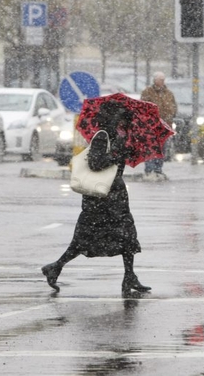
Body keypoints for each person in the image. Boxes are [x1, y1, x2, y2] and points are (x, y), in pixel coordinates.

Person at [41, 101, 151, 296]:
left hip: (116, 197)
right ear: (112, 117)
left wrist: (125, 151)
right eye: (121, 115)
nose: (125, 119)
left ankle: (129, 276)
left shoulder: (119, 135)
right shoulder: (102, 135)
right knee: (84, 240)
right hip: (100, 201)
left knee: (127, 237)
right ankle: (56, 267)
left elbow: (116, 161)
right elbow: (96, 163)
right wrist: (117, 156)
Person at [140, 71, 177, 178]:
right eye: (160, 80)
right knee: (151, 148)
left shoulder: (169, 93)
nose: (162, 82)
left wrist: (170, 116)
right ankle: (149, 170)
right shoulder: (148, 92)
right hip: (152, 126)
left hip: (165, 126)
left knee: (162, 148)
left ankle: (158, 169)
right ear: (155, 80)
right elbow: (143, 107)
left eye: (163, 80)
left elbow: (174, 107)